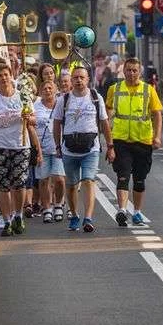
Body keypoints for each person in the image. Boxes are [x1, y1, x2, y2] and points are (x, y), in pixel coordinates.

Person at [0, 64, 41, 237]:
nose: (4, 78)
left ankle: (18, 216)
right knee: (3, 186)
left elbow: (34, 121)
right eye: (0, 76)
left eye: (6, 75)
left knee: (19, 184)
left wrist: (29, 117)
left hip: (21, 146)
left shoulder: (23, 96)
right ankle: (7, 220)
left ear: (11, 75)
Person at [53, 66, 112, 233]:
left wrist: (110, 146)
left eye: (82, 77)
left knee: (88, 180)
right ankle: (74, 214)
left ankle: (88, 218)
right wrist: (57, 145)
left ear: (88, 80)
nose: (79, 80)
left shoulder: (95, 98)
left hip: (90, 148)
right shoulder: (63, 100)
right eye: (76, 77)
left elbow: (104, 123)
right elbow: (57, 124)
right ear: (71, 81)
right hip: (69, 149)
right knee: (71, 185)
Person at [105, 57, 163, 227]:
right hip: (121, 140)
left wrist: (157, 137)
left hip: (143, 140)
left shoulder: (148, 90)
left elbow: (157, 113)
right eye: (128, 70)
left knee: (139, 179)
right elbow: (107, 110)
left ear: (140, 72)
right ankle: (122, 210)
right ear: (123, 71)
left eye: (134, 70)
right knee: (122, 176)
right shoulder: (114, 89)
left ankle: (137, 212)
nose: (131, 73)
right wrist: (108, 134)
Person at [33, 78, 65, 223]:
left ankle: (58, 204)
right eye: (45, 89)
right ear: (40, 92)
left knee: (59, 179)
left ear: (56, 90)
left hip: (58, 147)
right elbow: (31, 124)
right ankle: (47, 208)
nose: (47, 91)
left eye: (50, 88)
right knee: (44, 179)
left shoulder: (61, 104)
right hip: (42, 148)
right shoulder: (36, 105)